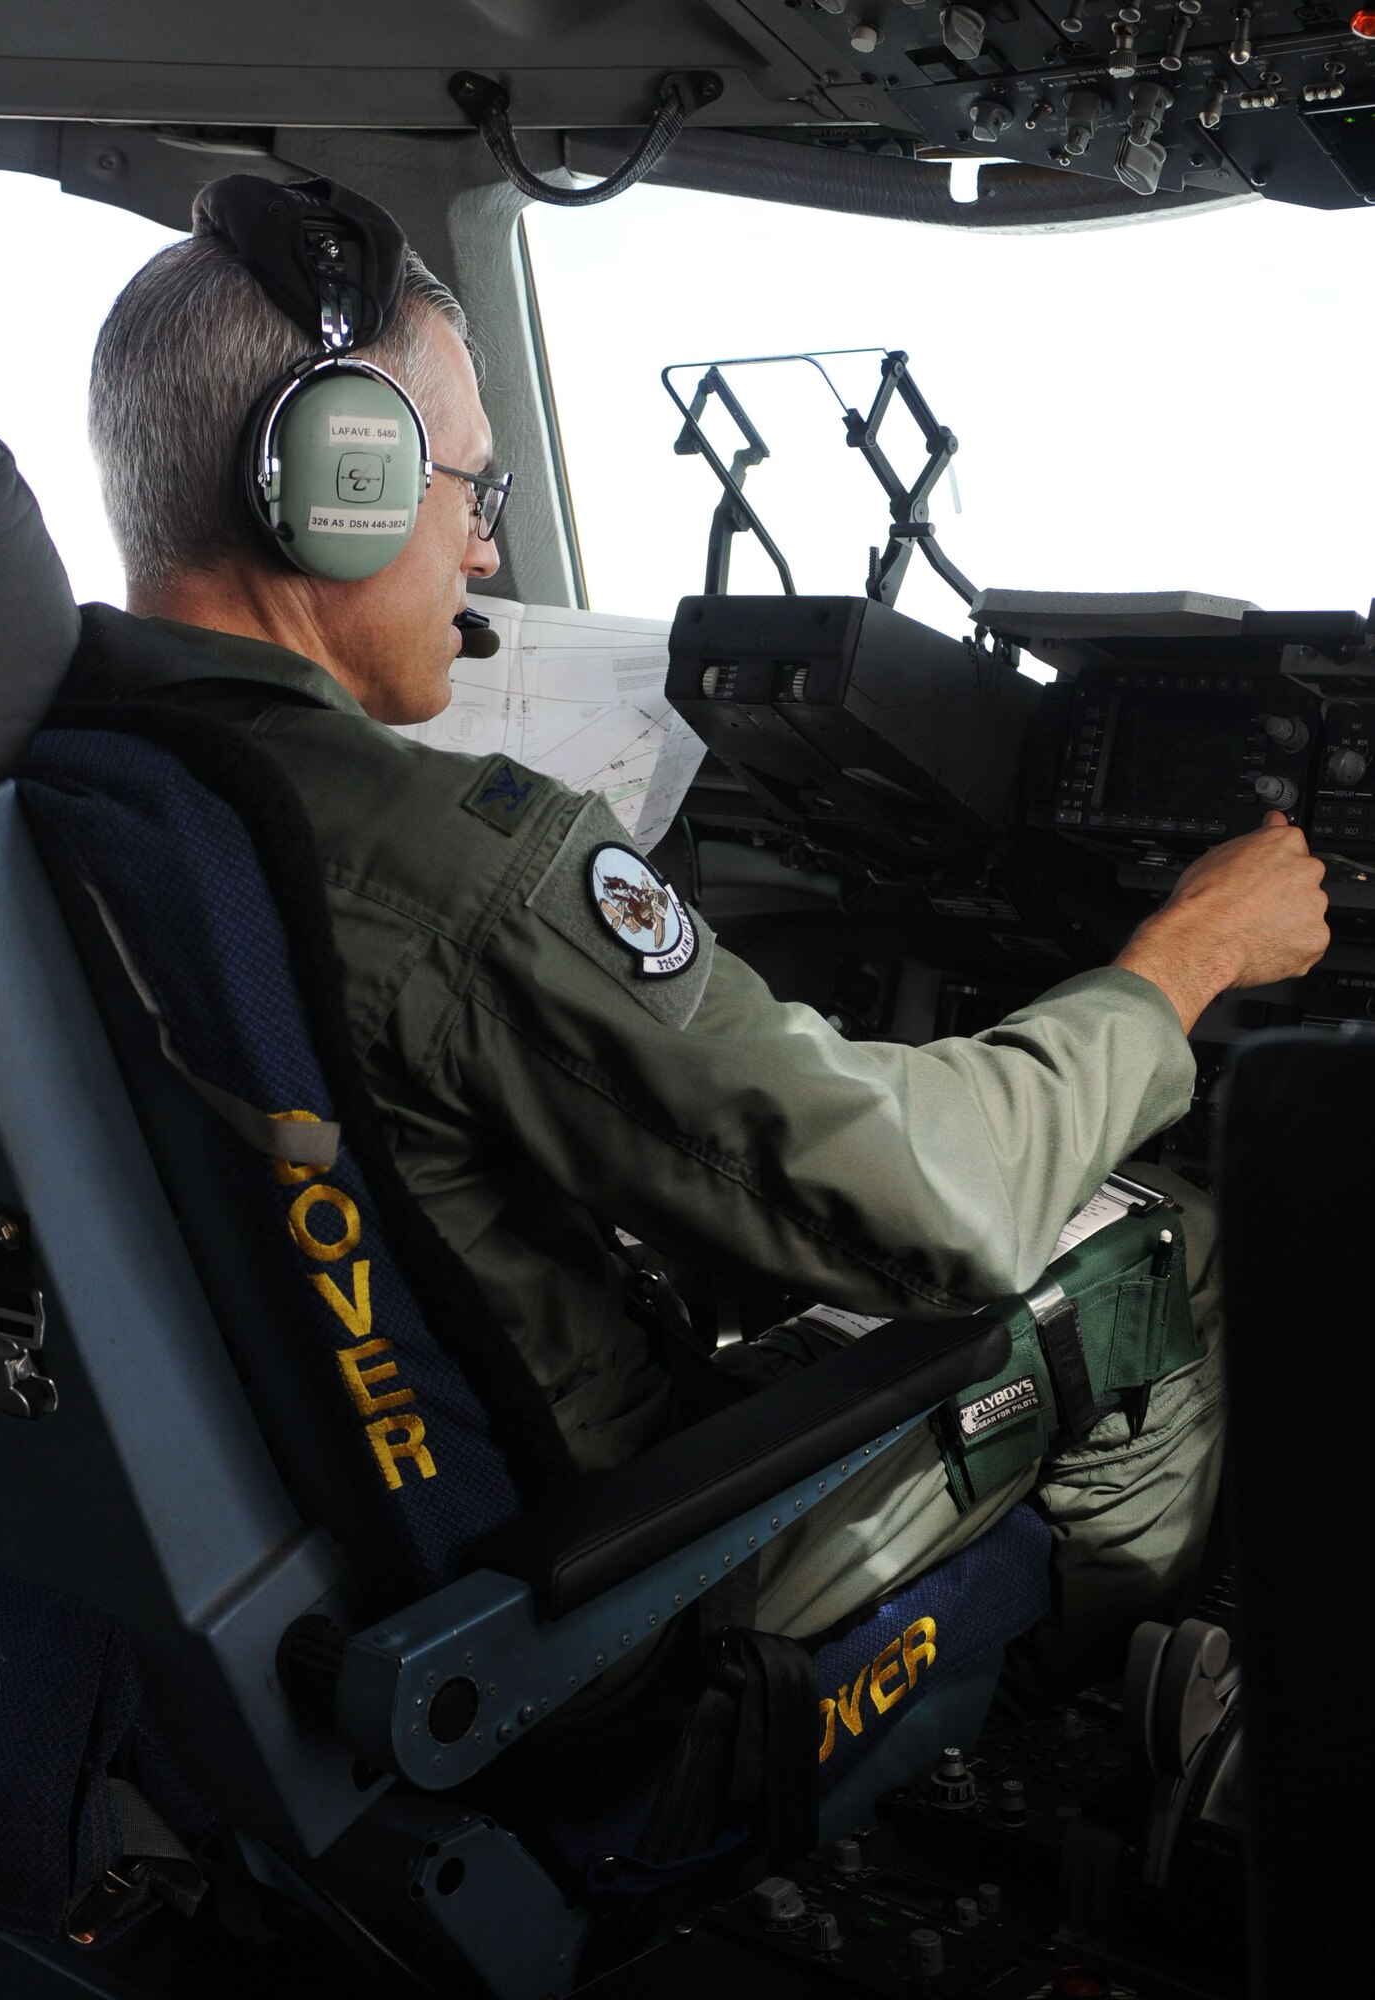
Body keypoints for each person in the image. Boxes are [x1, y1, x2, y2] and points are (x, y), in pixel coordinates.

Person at [78, 184, 1328, 1699]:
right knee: (1156, 1246)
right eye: (475, 492)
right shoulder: (438, 858)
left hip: (277, 1567)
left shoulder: (73, 793)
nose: (483, 558)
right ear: (340, 481)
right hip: (589, 1618)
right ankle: (1143, 1711)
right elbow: (952, 1203)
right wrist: (1184, 956)